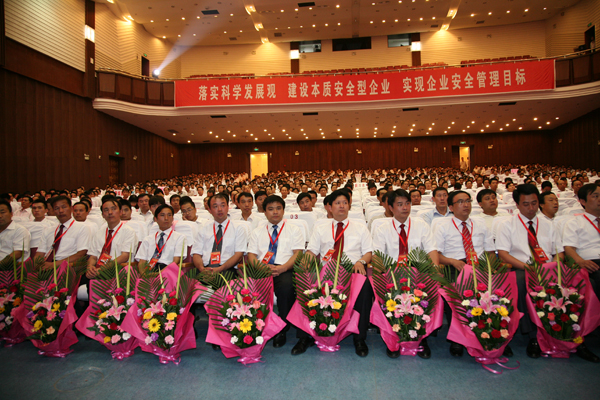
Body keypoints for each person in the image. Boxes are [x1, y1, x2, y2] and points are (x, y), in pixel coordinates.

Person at [296, 190, 373, 357]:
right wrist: (304, 265)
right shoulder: (320, 227)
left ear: (349, 206)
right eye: (337, 203)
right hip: (326, 272)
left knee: (365, 287)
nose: (342, 206)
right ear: (329, 207)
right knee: (304, 281)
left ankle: (359, 339)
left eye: (345, 202)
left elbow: (368, 252)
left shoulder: (360, 227)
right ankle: (304, 337)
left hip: (352, 270)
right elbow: (312, 251)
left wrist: (361, 262)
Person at [496, 184, 563, 359]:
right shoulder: (507, 225)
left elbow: (559, 252)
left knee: (579, 281)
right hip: (521, 267)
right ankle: (533, 336)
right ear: (517, 205)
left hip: (548, 268)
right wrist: (527, 267)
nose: (531, 208)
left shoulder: (549, 225)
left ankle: (565, 330)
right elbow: (503, 254)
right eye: (526, 204)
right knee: (521, 283)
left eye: (534, 203)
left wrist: (553, 265)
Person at [372, 189, 439, 359]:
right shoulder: (382, 228)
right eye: (400, 204)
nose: (405, 207)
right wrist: (382, 274)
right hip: (392, 273)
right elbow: (377, 256)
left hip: (418, 272)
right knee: (390, 297)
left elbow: (431, 250)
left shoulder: (421, 225)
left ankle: (422, 338)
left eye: (407, 203)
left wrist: (434, 270)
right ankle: (393, 338)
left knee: (426, 295)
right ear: (390, 207)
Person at [433, 190, 496, 357]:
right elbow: (436, 255)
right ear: (451, 207)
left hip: (480, 265)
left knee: (496, 289)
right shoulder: (442, 226)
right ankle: (458, 337)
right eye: (460, 202)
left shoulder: (480, 223)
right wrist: (453, 262)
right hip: (454, 265)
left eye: (468, 201)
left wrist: (489, 268)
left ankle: (491, 333)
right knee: (455, 290)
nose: (466, 205)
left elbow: (490, 252)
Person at [247, 195, 304, 348]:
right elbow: (251, 255)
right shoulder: (257, 232)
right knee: (247, 288)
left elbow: (298, 253)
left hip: (284, 268)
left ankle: (282, 328)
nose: (275, 212)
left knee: (286, 288)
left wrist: (283, 267)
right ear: (264, 212)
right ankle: (254, 327)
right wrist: (261, 267)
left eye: (278, 208)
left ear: (283, 210)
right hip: (261, 269)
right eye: (271, 209)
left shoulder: (294, 230)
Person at [562, 183, 600, 362]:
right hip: (589, 263)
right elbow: (569, 248)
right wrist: (580, 261)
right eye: (595, 196)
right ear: (583, 201)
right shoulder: (575, 222)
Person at [191, 193, 247, 273]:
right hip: (204, 269)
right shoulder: (203, 228)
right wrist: (202, 269)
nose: (220, 209)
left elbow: (239, 255)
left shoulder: (238, 229)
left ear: (228, 207)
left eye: (223, 205)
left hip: (226, 269)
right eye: (215, 206)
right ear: (209, 210)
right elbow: (196, 253)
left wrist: (220, 269)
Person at [86, 198, 137, 278]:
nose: (110, 212)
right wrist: (90, 268)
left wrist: (102, 269)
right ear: (102, 215)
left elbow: (125, 256)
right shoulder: (99, 232)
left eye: (113, 209)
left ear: (120, 212)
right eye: (106, 210)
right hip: (98, 271)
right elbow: (93, 256)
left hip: (118, 271)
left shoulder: (129, 232)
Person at [36, 195, 91, 267]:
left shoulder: (82, 228)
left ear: (71, 209)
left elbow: (81, 253)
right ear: (53, 211)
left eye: (64, 207)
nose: (60, 211)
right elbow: (40, 252)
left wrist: (53, 265)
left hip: (67, 266)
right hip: (47, 264)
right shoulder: (48, 230)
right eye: (57, 208)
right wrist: (37, 265)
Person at [135, 204, 184, 269]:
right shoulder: (148, 239)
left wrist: (160, 273)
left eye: (169, 215)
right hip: (149, 269)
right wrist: (144, 274)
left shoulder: (179, 237)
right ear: (155, 219)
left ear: (172, 218)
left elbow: (176, 261)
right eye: (162, 215)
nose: (166, 218)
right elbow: (142, 261)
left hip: (167, 270)